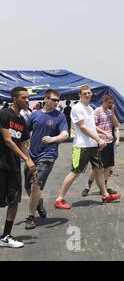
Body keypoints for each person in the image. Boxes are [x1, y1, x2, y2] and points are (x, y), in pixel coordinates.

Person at [54, 85, 121, 210]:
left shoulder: (90, 108)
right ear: (79, 94)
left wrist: (98, 140)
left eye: (89, 93)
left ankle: (105, 195)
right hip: (81, 146)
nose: (88, 95)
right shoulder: (77, 108)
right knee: (75, 172)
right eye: (85, 93)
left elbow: (92, 127)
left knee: (99, 169)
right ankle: (59, 199)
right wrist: (99, 139)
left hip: (93, 145)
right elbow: (83, 127)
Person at [24, 89, 69, 229]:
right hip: (32, 155)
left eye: (58, 100)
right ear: (46, 99)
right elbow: (25, 132)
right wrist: (26, 144)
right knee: (27, 186)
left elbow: (65, 134)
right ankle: (38, 203)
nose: (56, 102)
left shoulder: (60, 116)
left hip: (48, 155)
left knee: (35, 184)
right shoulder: (35, 115)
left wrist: (53, 139)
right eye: (54, 99)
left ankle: (31, 217)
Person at [0, 87, 37, 248]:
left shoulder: (22, 121)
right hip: (1, 165)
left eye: (28, 98)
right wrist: (25, 159)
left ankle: (6, 236)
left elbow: (23, 145)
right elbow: (8, 140)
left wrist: (30, 162)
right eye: (24, 98)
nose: (27, 100)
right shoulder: (4, 114)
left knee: (14, 201)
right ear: (14, 99)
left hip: (14, 167)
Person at [81, 94, 120, 197]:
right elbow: (94, 126)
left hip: (109, 143)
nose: (110, 105)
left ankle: (104, 187)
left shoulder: (109, 112)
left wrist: (112, 112)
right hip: (100, 142)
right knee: (97, 167)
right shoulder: (98, 111)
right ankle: (88, 186)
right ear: (104, 101)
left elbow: (116, 125)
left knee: (108, 166)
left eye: (112, 103)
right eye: (109, 103)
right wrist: (105, 133)